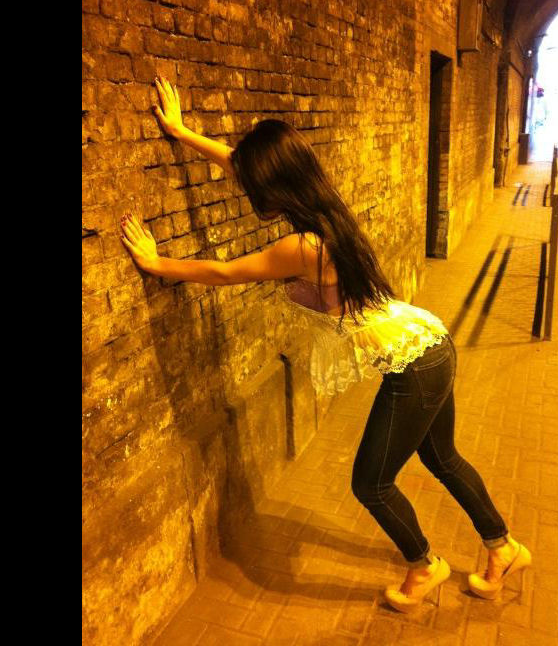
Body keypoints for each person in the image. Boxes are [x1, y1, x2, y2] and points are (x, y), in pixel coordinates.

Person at [120, 77, 531, 613]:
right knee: (442, 457)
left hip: (416, 364)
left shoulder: (303, 246)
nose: (245, 186)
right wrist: (181, 133)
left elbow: (222, 273)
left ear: (275, 185)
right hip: (426, 339)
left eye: (254, 182)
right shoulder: (323, 208)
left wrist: (156, 264)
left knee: (372, 484)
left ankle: (425, 565)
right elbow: (238, 165)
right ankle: (504, 549)